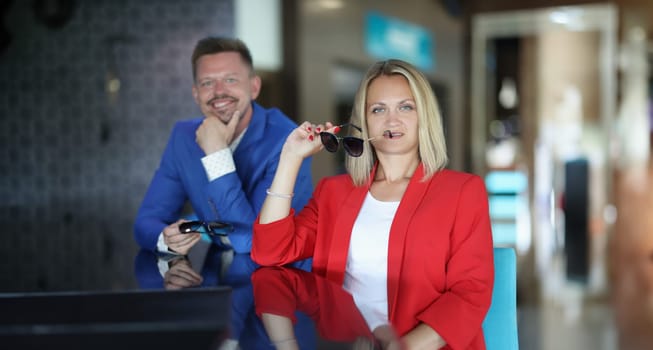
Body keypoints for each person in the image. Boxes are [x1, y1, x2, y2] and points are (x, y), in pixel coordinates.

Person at [251, 59, 494, 349]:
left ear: (424, 116)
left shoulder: (462, 191)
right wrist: (290, 158)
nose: (392, 121)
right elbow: (269, 252)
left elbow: (470, 293)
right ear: (364, 121)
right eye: (378, 109)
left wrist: (403, 347)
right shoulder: (333, 192)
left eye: (405, 107)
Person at [134, 37, 313, 255]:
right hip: (214, 273)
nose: (219, 91)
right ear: (195, 93)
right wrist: (165, 238)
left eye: (230, 80)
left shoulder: (288, 140)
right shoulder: (183, 136)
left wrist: (217, 153)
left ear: (254, 87)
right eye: (207, 83)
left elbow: (250, 241)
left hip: (282, 275)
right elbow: (146, 221)